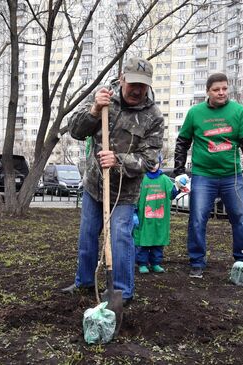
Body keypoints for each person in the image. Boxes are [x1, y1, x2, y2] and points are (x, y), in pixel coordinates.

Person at [61, 57, 164, 306]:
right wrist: (95, 110)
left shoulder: (153, 117)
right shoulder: (103, 99)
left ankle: (122, 292)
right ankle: (84, 281)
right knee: (87, 235)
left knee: (120, 237)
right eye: (133, 84)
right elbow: (75, 131)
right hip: (94, 185)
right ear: (122, 79)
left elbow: (149, 161)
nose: (138, 90)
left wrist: (118, 159)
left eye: (143, 86)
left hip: (125, 192)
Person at [174, 72, 243, 279]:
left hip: (232, 176)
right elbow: (182, 142)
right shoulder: (195, 113)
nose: (221, 92)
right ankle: (196, 262)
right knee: (197, 219)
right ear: (208, 92)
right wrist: (179, 171)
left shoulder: (238, 111)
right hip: (203, 176)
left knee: (240, 217)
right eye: (216, 89)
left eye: (224, 88)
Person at [133, 155, 181, 274]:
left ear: (160, 163)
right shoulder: (141, 179)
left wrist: (179, 187)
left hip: (160, 219)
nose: (153, 166)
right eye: (150, 163)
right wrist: (133, 212)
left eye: (156, 163)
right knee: (143, 242)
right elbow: (134, 196)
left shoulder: (164, 179)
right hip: (144, 219)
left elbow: (171, 194)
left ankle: (155, 263)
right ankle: (142, 263)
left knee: (158, 242)